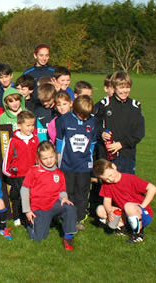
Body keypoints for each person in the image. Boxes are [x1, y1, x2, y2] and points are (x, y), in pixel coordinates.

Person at [21, 141, 77, 250]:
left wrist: (64, 198)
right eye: (45, 158)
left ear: (55, 155)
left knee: (70, 208)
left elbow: (62, 190)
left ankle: (68, 237)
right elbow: (24, 190)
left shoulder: (59, 173)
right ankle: (29, 224)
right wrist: (27, 210)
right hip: (39, 208)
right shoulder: (34, 171)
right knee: (39, 239)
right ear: (39, 158)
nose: (49, 160)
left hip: (54, 204)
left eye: (51, 157)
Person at [56, 95, 97, 231]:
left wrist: (90, 163)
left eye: (87, 116)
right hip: (67, 165)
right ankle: (68, 217)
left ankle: (80, 218)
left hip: (84, 166)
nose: (84, 119)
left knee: (82, 193)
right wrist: (58, 161)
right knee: (68, 192)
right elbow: (60, 141)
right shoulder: (64, 120)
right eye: (82, 115)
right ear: (74, 109)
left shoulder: (92, 121)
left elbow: (92, 143)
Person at [93, 159, 156, 243]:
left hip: (141, 213)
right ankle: (124, 229)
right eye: (106, 179)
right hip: (125, 213)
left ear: (114, 167)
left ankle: (139, 234)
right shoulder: (107, 185)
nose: (110, 179)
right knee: (100, 210)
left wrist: (142, 206)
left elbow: (152, 188)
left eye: (111, 175)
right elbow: (107, 201)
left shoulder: (130, 178)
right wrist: (109, 212)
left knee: (128, 206)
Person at [95, 71, 144, 174]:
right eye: (121, 87)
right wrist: (101, 133)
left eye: (127, 87)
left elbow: (139, 133)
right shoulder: (104, 105)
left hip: (127, 155)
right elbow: (94, 124)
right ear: (114, 87)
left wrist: (122, 144)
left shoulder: (135, 106)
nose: (125, 91)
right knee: (107, 188)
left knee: (125, 187)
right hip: (106, 156)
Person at [2, 111, 38, 226]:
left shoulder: (35, 139)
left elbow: (38, 157)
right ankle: (17, 217)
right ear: (19, 125)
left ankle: (29, 216)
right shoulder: (14, 140)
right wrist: (10, 174)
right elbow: (7, 158)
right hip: (18, 175)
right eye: (28, 125)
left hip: (32, 175)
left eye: (32, 125)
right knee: (17, 197)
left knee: (31, 196)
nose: (31, 128)